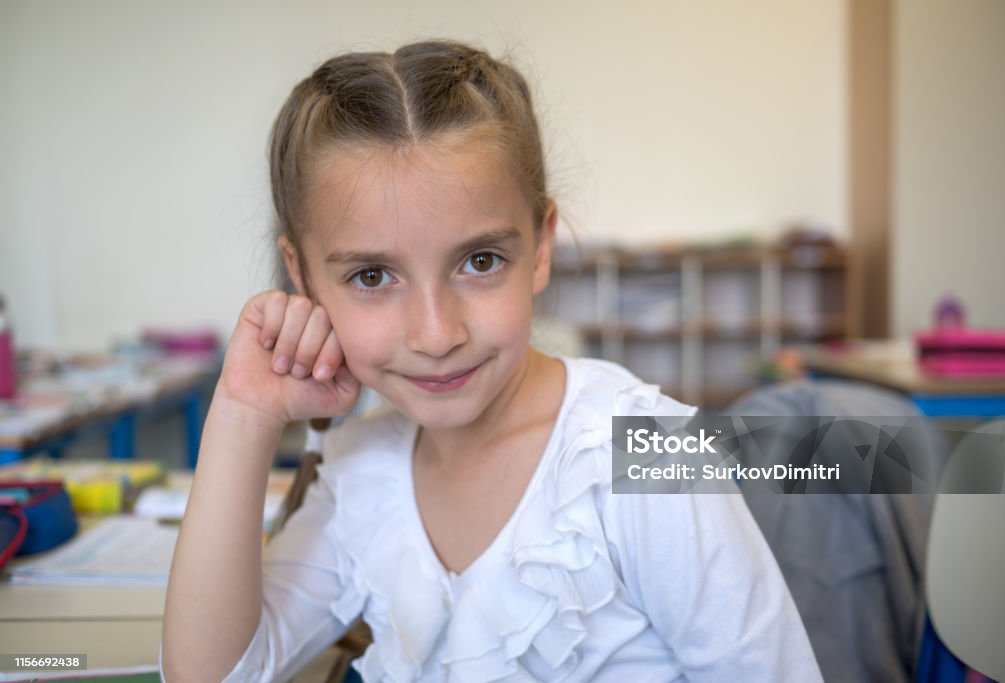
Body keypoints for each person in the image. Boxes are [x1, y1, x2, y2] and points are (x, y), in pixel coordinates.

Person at [161, 40, 822, 682]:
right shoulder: (363, 475)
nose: (436, 332)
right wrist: (245, 413)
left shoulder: (640, 452)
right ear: (302, 277)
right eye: (370, 276)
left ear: (539, 249)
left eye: (480, 261)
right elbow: (209, 673)